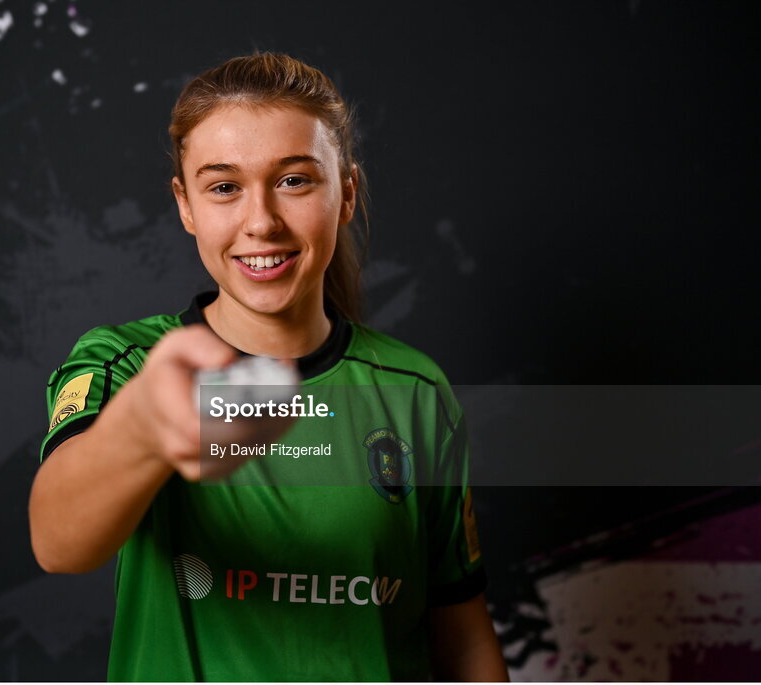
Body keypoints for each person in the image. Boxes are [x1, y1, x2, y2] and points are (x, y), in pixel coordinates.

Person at [28, 52, 508, 681]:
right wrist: (143, 431)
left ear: (347, 193)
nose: (261, 222)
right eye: (224, 187)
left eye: (294, 181)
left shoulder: (416, 392)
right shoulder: (125, 364)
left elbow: (461, 631)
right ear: (186, 205)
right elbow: (59, 541)